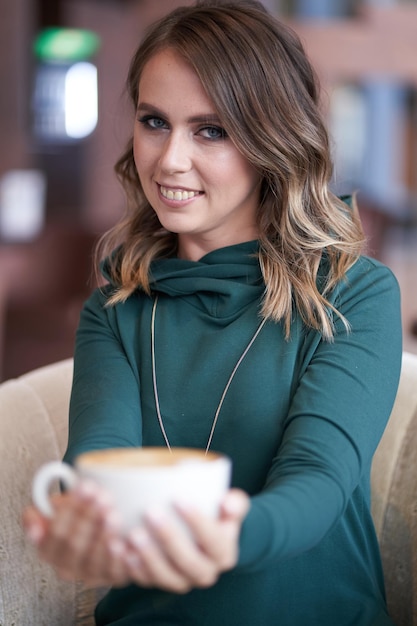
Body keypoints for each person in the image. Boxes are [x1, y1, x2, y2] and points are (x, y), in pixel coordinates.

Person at [23, 1, 402, 624]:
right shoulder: (115, 308)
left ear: (271, 139)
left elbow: (318, 479)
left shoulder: (354, 293)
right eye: (154, 121)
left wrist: (225, 538)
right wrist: (82, 518)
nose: (169, 160)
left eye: (211, 130)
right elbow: (98, 463)